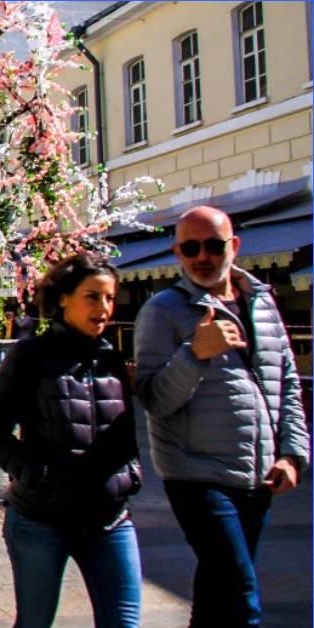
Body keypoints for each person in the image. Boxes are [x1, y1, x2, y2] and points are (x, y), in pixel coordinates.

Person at [134, 206, 309, 627]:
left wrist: (293, 453)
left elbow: (285, 381)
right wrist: (194, 354)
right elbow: (154, 399)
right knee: (241, 593)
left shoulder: (262, 303)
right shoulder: (163, 311)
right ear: (177, 252)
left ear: (234, 246)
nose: (203, 256)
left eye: (213, 245)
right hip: (196, 475)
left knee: (217, 592)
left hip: (257, 474)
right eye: (191, 247)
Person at [0, 253, 143, 627]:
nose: (104, 307)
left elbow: (125, 431)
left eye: (109, 298)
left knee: (125, 622)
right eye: (92, 296)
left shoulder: (111, 358)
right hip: (42, 519)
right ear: (64, 298)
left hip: (110, 518)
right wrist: (38, 476)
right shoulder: (30, 356)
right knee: (36, 621)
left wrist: (130, 473)